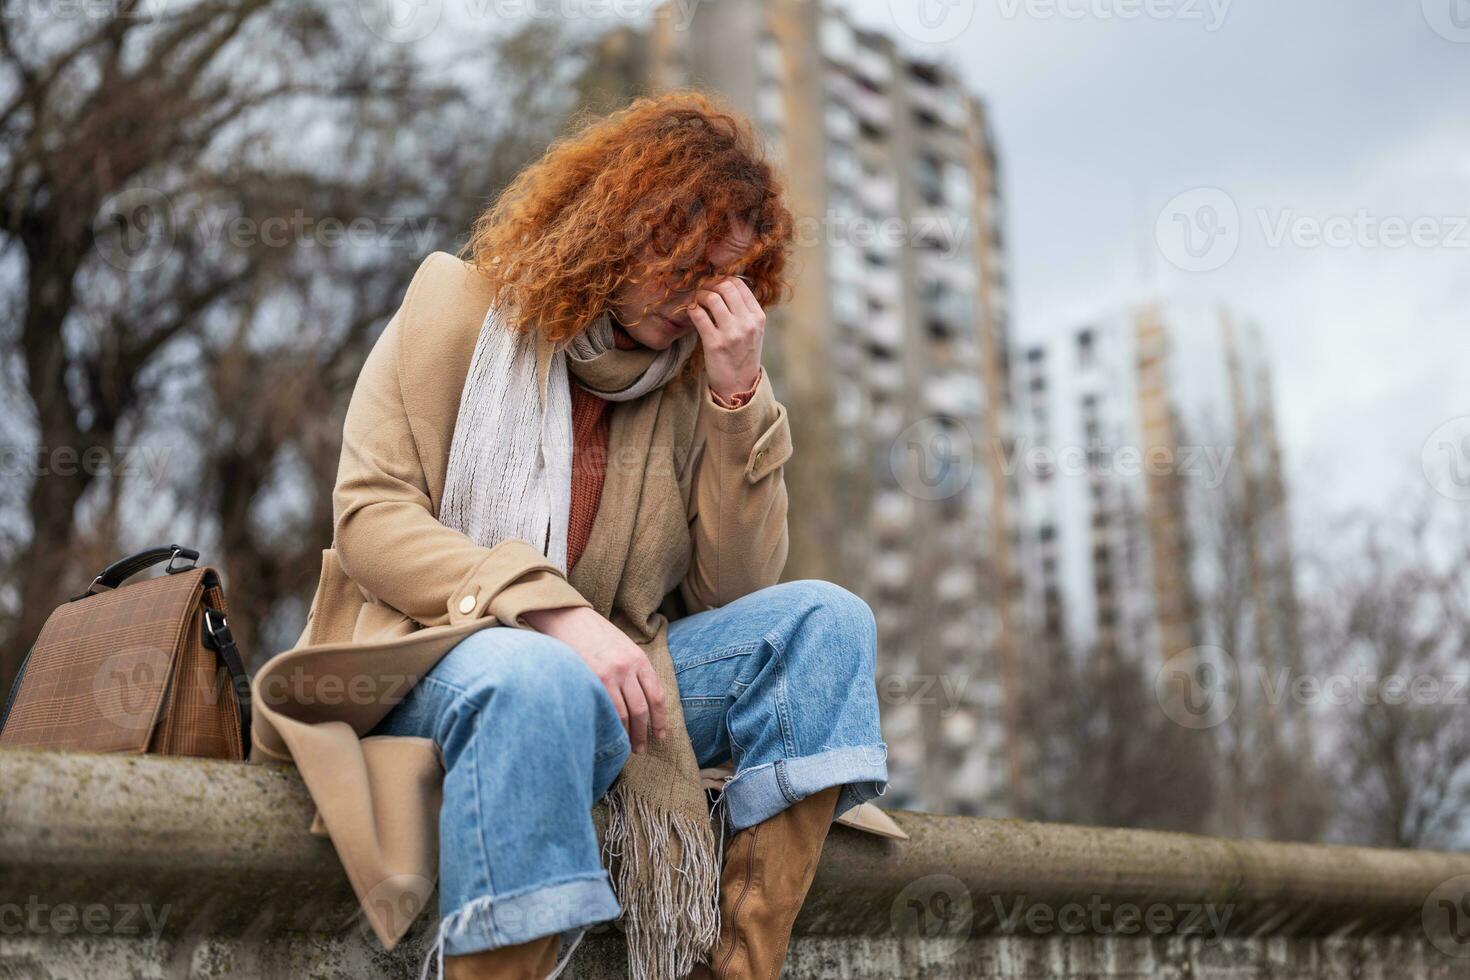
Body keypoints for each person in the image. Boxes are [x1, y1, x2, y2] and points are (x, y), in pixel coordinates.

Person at [334, 91, 888, 980]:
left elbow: (731, 593)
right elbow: (370, 520)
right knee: (536, 674)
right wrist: (553, 615)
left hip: (629, 680)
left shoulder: (691, 378)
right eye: (687, 261)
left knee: (828, 621)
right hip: (434, 653)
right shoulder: (456, 307)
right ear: (619, 225)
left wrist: (738, 399)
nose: (704, 294)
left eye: (728, 275)